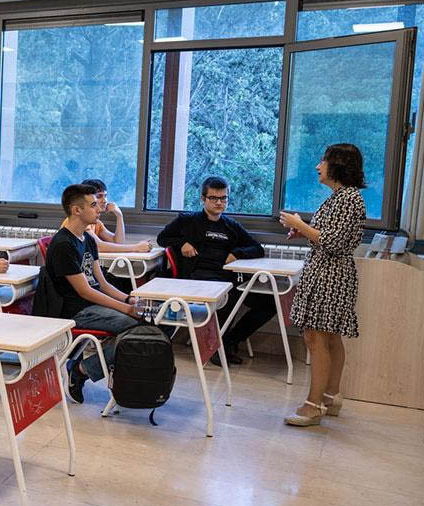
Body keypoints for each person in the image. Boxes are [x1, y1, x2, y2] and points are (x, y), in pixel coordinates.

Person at [279, 144, 367, 427]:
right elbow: (329, 235)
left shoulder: (348, 199)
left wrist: (300, 224)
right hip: (328, 272)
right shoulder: (340, 197)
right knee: (329, 338)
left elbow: (333, 241)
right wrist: (302, 232)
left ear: (337, 165)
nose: (318, 166)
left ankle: (313, 405)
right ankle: (330, 396)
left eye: (323, 161)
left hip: (330, 276)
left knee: (316, 338)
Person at [40, 184, 143, 403]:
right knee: (135, 330)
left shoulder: (87, 239)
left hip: (91, 305)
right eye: (93, 205)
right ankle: (81, 370)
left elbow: (101, 283)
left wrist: (128, 299)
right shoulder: (63, 244)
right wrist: (126, 309)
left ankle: (97, 370)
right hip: (75, 310)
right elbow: (85, 291)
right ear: (77, 210)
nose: (99, 209)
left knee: (142, 323)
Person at [156, 176, 271, 365]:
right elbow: (162, 238)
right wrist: (182, 243)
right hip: (197, 278)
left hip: (226, 277)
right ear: (203, 199)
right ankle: (218, 348)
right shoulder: (187, 220)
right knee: (230, 295)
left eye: (223, 198)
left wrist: (236, 253)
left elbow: (257, 248)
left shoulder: (231, 226)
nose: (219, 202)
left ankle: (229, 341)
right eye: (214, 198)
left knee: (267, 303)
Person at [64, 178, 151, 253]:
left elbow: (118, 243)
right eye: (99, 196)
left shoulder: (96, 223)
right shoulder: (79, 220)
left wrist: (119, 216)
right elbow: (98, 247)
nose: (104, 200)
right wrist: (136, 247)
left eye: (105, 196)